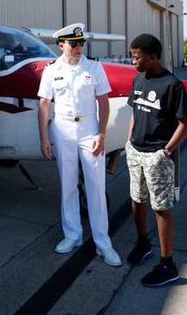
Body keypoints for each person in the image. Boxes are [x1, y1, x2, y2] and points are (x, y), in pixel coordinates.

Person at [38, 23, 122, 266]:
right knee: (68, 185)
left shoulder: (93, 67)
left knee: (96, 186)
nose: (79, 47)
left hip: (89, 130)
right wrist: (44, 138)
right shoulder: (51, 70)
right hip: (62, 130)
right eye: (74, 44)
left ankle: (103, 243)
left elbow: (103, 102)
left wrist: (102, 134)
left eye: (81, 43)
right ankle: (72, 235)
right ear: (61, 45)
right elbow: (44, 104)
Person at [125, 33, 187, 287]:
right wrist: (130, 139)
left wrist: (165, 151)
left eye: (137, 57)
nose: (133, 61)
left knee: (160, 207)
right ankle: (143, 243)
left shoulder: (172, 85)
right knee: (137, 199)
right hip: (135, 152)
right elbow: (134, 110)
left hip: (157, 156)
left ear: (153, 57)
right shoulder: (138, 79)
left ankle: (167, 263)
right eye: (132, 56)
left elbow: (184, 123)